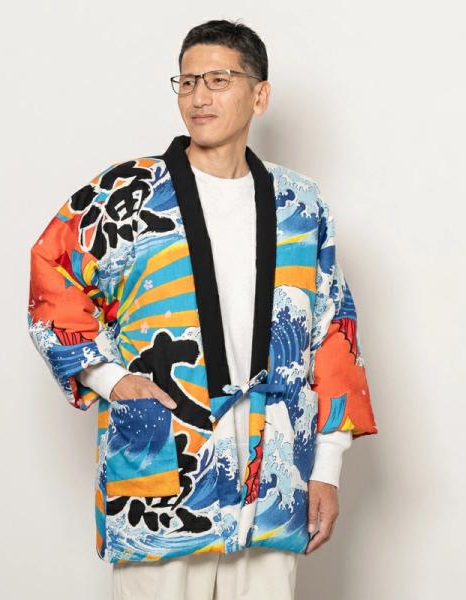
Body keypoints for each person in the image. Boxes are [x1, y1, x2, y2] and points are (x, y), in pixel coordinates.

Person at [27, 18, 378, 600]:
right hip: (164, 460)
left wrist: (327, 468)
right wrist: (110, 379)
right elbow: (53, 275)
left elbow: (333, 332)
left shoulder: (300, 204)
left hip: (274, 471)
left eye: (218, 79)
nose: (198, 96)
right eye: (187, 81)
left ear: (259, 96)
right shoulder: (126, 194)